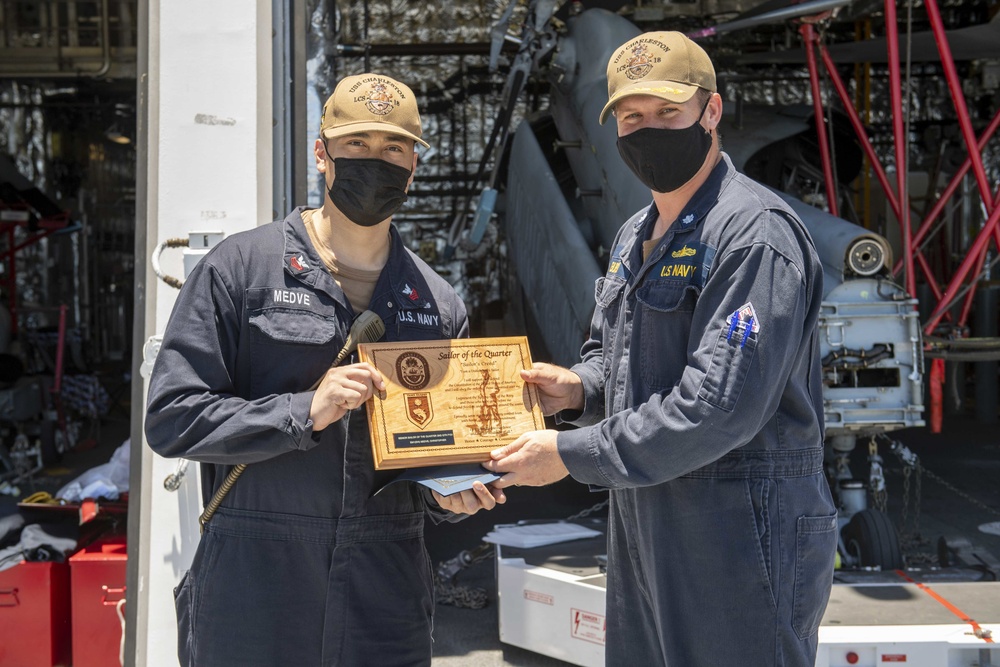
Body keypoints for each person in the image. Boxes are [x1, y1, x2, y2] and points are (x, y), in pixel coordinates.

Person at [486, 31, 837, 665]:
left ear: (712, 110)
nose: (649, 130)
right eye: (632, 117)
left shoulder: (753, 237)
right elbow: (609, 351)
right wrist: (579, 388)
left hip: (740, 525)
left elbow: (719, 406)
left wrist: (570, 453)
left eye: (668, 113)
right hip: (648, 519)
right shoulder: (634, 234)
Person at [145, 72, 504, 667]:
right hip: (256, 580)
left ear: (414, 164)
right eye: (357, 144)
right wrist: (303, 410)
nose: (376, 160)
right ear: (322, 154)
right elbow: (172, 418)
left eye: (394, 147)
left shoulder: (438, 304)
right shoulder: (241, 270)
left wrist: (458, 492)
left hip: (384, 591)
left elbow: (437, 463)